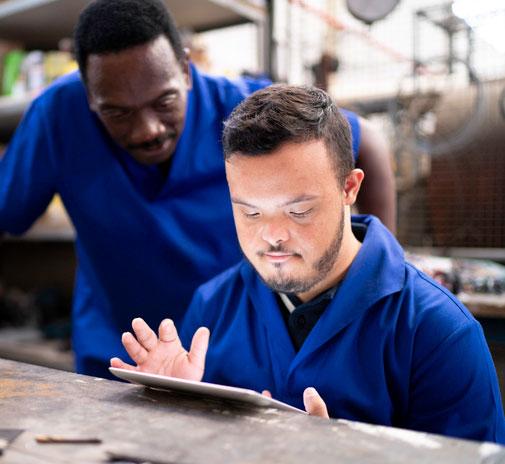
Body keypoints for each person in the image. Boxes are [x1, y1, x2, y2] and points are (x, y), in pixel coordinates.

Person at [0, 0, 394, 378]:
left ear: (186, 70)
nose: (147, 130)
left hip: (234, 357)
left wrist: (371, 279)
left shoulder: (241, 113)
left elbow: (368, 144)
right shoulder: (56, 116)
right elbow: (8, 212)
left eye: (165, 102)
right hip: (118, 356)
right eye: (117, 113)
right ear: (87, 95)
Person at [112, 85, 505, 443]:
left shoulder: (438, 332)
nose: (273, 236)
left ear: (349, 187)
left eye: (298, 210)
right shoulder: (213, 307)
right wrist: (173, 414)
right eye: (249, 213)